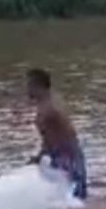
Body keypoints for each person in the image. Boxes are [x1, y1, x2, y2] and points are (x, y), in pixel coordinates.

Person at [25, 67, 88, 200]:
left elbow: (56, 137)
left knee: (72, 198)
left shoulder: (48, 109)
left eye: (29, 85)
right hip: (66, 154)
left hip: (66, 157)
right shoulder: (50, 102)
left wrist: (41, 156)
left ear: (38, 86)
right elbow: (52, 136)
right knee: (72, 196)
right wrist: (40, 156)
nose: (27, 89)